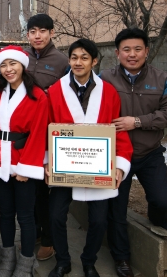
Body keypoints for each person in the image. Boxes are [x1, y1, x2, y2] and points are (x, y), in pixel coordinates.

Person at [45, 38, 133, 277]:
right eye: (74, 57)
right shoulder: (55, 91)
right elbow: (47, 128)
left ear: (94, 61)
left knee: (98, 221)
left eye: (84, 57)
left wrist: (120, 166)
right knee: (55, 216)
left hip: (98, 167)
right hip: (64, 165)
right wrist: (46, 161)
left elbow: (117, 132)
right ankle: (63, 260)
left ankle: (88, 261)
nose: (78, 62)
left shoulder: (109, 92)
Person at [101, 28, 167, 277]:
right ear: (117, 53)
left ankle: (159, 221)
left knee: (162, 201)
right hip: (117, 155)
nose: (132, 54)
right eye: (126, 49)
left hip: (150, 152)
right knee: (117, 210)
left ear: (146, 51)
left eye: (138, 49)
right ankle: (122, 257)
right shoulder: (105, 78)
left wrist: (136, 121)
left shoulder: (163, 78)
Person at [0, 46, 48, 277]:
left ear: (23, 65)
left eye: (12, 64)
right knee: (5, 213)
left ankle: (25, 263)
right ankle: (7, 259)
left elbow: (38, 133)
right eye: (3, 65)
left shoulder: (38, 96)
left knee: (25, 216)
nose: (8, 69)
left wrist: (26, 168)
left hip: (23, 160)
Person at [24, 13, 68, 261]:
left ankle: (50, 239)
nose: (37, 36)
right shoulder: (22, 58)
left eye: (42, 31)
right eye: (33, 31)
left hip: (52, 134)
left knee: (51, 187)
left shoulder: (62, 61)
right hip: (26, 133)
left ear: (52, 32)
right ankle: (39, 231)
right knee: (34, 188)